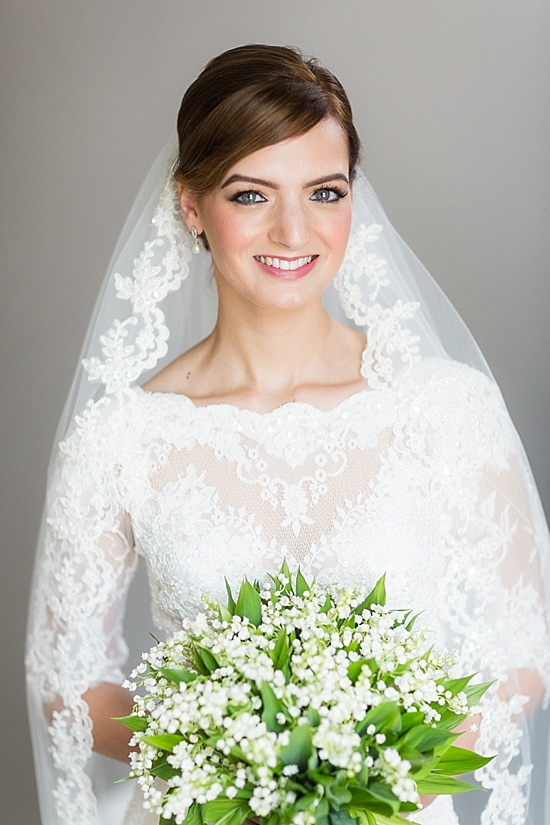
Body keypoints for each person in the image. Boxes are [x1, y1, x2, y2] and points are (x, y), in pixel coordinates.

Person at [26, 44, 550, 825]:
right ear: (191, 205)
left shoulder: (443, 407)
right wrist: (221, 753)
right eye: (249, 195)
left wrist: (378, 763)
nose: (294, 229)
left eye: (324, 191)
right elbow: (63, 676)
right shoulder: (122, 437)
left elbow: (525, 649)